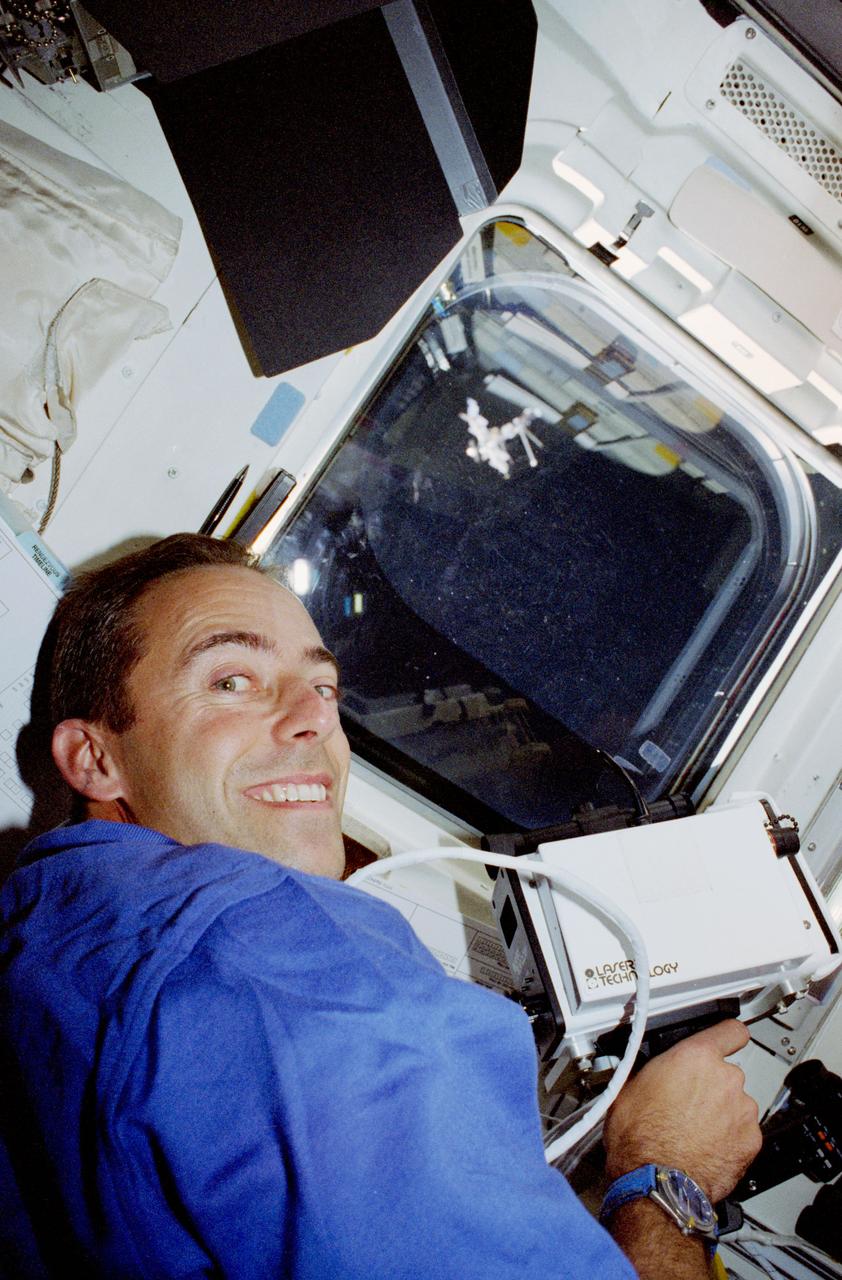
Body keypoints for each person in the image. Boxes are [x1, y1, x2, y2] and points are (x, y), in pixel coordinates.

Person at [0, 533, 761, 1279]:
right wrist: (667, 1176)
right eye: (231, 680)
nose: (315, 719)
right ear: (95, 758)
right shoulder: (296, 974)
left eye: (324, 687)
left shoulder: (43, 922)